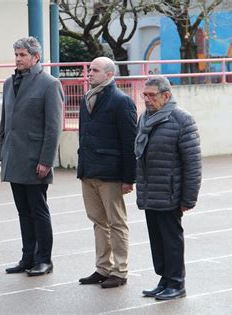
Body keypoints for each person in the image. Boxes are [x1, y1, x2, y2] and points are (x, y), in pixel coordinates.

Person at [0, 37, 63, 277]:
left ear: (36, 57)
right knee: (22, 211)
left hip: (35, 159)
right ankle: (28, 257)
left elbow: (53, 127)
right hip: (14, 157)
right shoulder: (9, 83)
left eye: (23, 55)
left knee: (38, 210)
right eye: (16, 54)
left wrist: (46, 160)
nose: (18, 59)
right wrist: (2, 152)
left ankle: (44, 259)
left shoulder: (49, 84)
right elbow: (5, 122)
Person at [135, 76, 201, 300]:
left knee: (171, 240)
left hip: (170, 192)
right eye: (145, 94)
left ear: (166, 96)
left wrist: (188, 199)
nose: (147, 99)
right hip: (150, 190)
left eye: (152, 95)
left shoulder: (182, 120)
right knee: (157, 240)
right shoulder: (145, 118)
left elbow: (192, 164)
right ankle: (164, 279)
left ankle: (177, 283)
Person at [77, 57, 137, 288]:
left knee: (117, 223)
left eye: (95, 70)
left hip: (110, 173)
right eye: (89, 69)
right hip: (89, 170)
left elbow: (129, 142)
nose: (89, 73)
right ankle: (103, 268)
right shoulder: (87, 98)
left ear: (109, 75)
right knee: (98, 221)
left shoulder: (121, 101)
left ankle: (119, 271)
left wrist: (128, 178)